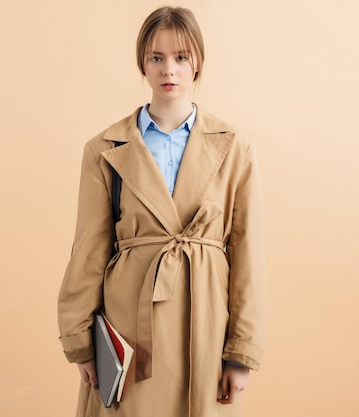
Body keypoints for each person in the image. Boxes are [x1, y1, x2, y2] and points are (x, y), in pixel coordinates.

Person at [57, 6, 266, 417]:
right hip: (130, 331)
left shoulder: (235, 147)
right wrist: (80, 340)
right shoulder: (104, 149)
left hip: (204, 324)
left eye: (181, 57)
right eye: (157, 57)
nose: (168, 69)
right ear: (143, 63)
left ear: (197, 63)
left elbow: (247, 255)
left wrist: (241, 352)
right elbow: (88, 250)